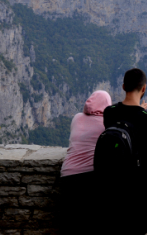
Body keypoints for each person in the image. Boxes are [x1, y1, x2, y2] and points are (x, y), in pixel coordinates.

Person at [102, 68, 147, 235]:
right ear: (144, 89)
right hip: (137, 190)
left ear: (123, 86)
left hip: (110, 186)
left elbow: (125, 124)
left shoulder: (109, 112)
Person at [59, 90, 112, 234]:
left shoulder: (76, 118)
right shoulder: (106, 124)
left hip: (67, 175)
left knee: (72, 224)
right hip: (90, 177)